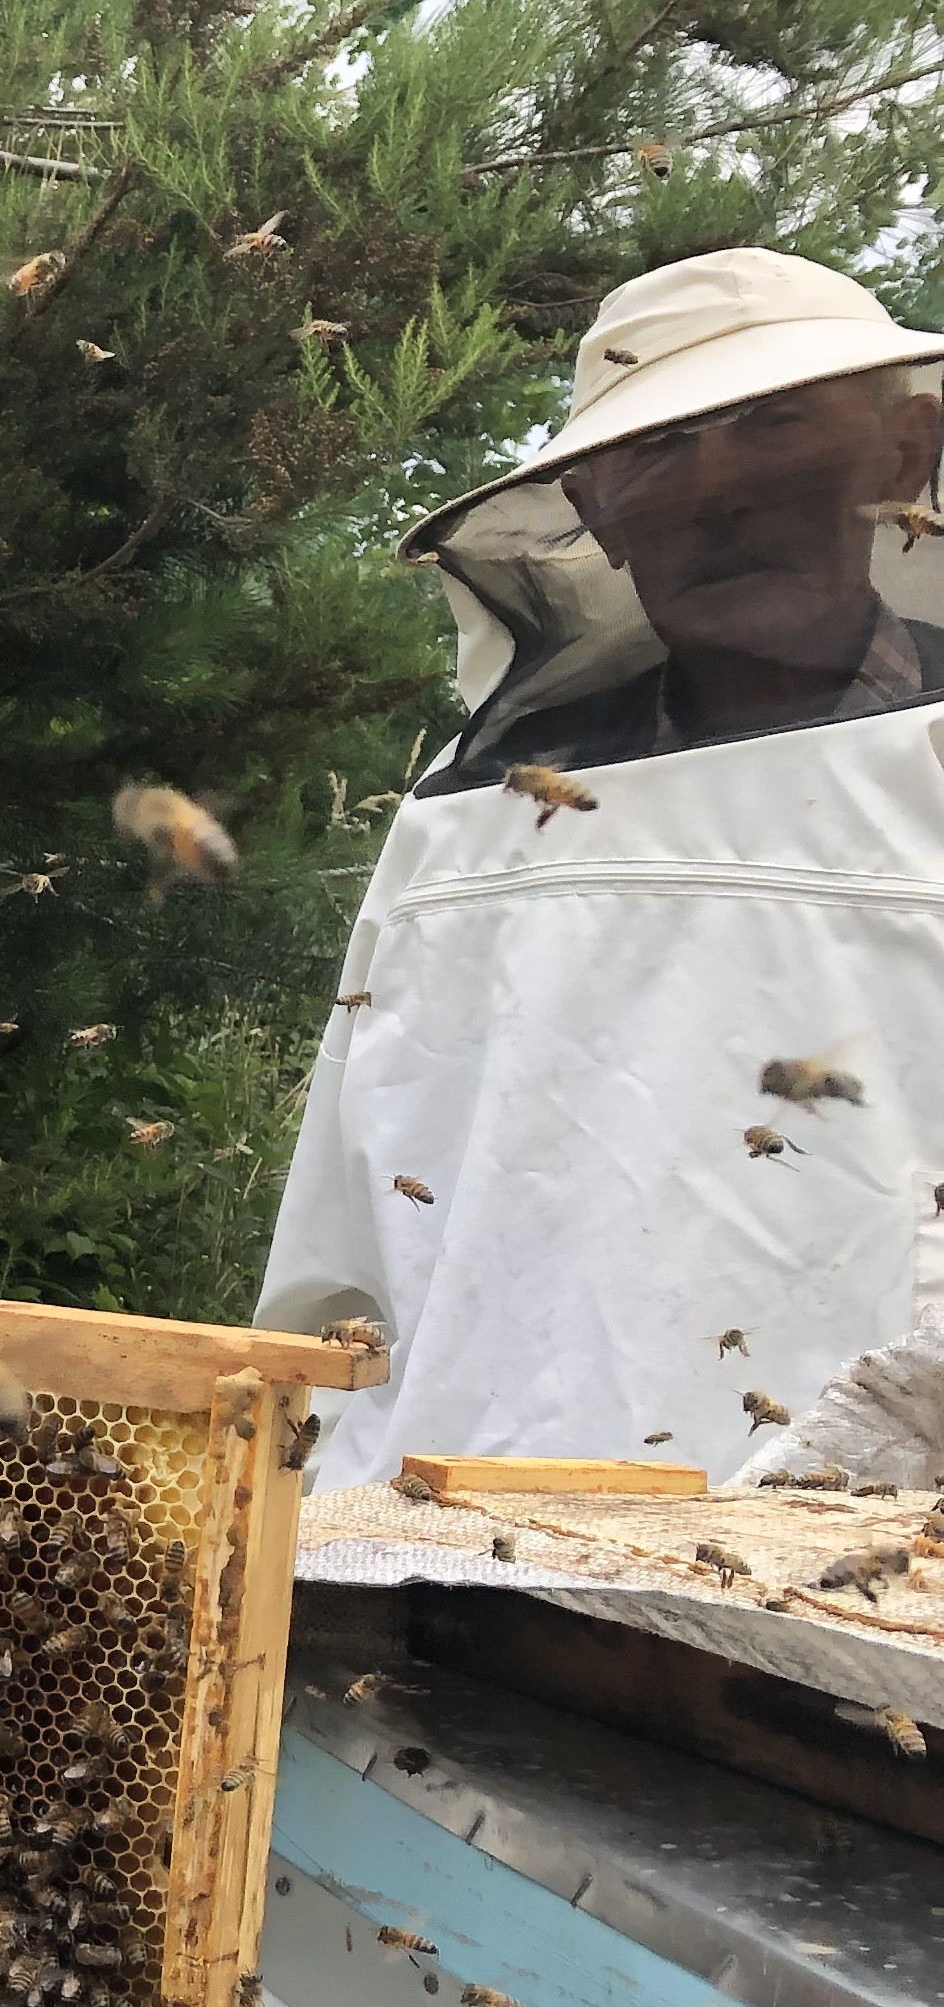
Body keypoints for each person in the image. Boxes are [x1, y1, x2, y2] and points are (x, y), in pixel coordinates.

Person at [261, 247, 944, 1485]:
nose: (723, 493)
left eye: (776, 424)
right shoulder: (470, 815)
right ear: (600, 512)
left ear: (903, 453)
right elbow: (344, 1243)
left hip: (869, 1584)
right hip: (447, 1548)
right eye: (666, 454)